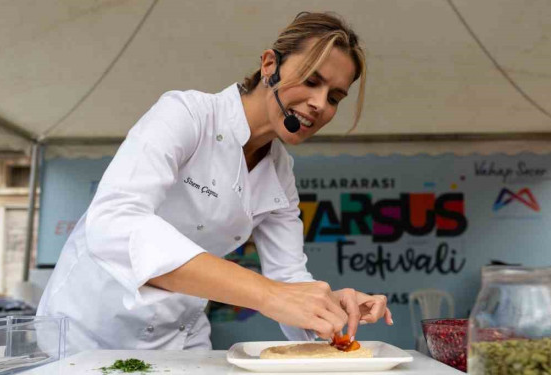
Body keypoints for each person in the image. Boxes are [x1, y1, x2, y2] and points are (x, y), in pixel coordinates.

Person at [38, 12, 393, 352]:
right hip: (86, 334)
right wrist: (268, 295)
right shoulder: (187, 114)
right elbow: (114, 223)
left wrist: (329, 306)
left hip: (177, 342)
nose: (319, 104)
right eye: (312, 80)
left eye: (334, 98)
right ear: (270, 64)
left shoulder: (280, 172)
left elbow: (288, 280)